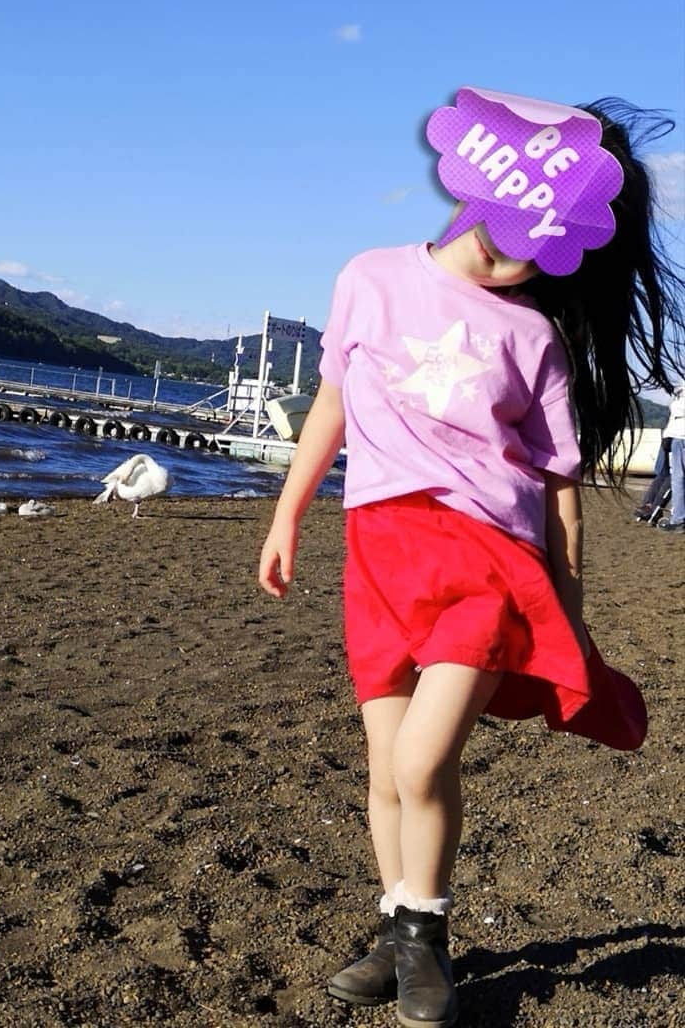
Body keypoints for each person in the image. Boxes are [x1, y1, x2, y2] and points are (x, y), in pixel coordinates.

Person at [258, 98, 684, 1028]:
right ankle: (403, 933)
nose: (508, 251)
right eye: (505, 219)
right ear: (477, 183)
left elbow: (560, 489)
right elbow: (329, 408)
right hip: (378, 557)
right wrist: (287, 514)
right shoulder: (368, 279)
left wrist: (570, 610)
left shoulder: (533, 337)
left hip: (488, 566)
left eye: (539, 241)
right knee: (385, 770)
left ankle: (427, 933)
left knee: (423, 758)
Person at [656, 381, 685, 531]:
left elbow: (674, 416)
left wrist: (667, 435)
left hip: (679, 435)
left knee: (678, 479)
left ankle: (678, 519)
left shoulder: (679, 392)